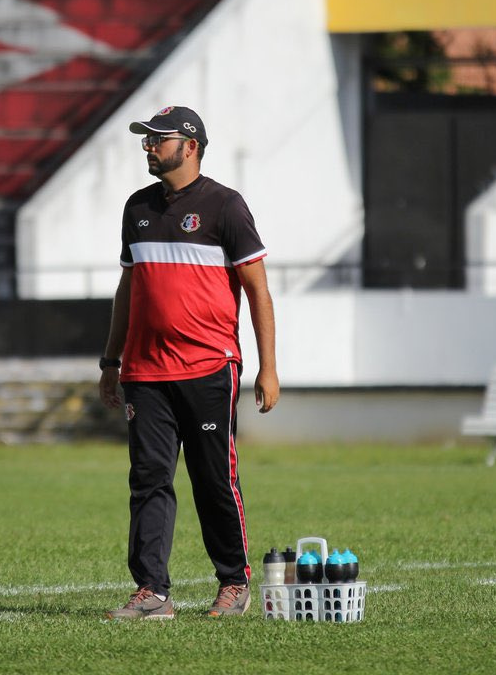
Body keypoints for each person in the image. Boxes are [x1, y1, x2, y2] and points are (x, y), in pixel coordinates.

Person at [99, 105, 279, 620]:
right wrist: (110, 361)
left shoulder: (225, 206)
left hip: (208, 368)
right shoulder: (137, 207)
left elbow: (259, 292)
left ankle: (234, 582)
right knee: (149, 478)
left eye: (159, 138)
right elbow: (128, 289)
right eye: (146, 139)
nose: (148, 146)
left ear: (191, 145)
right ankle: (153, 591)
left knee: (212, 478)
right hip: (144, 372)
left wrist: (267, 367)